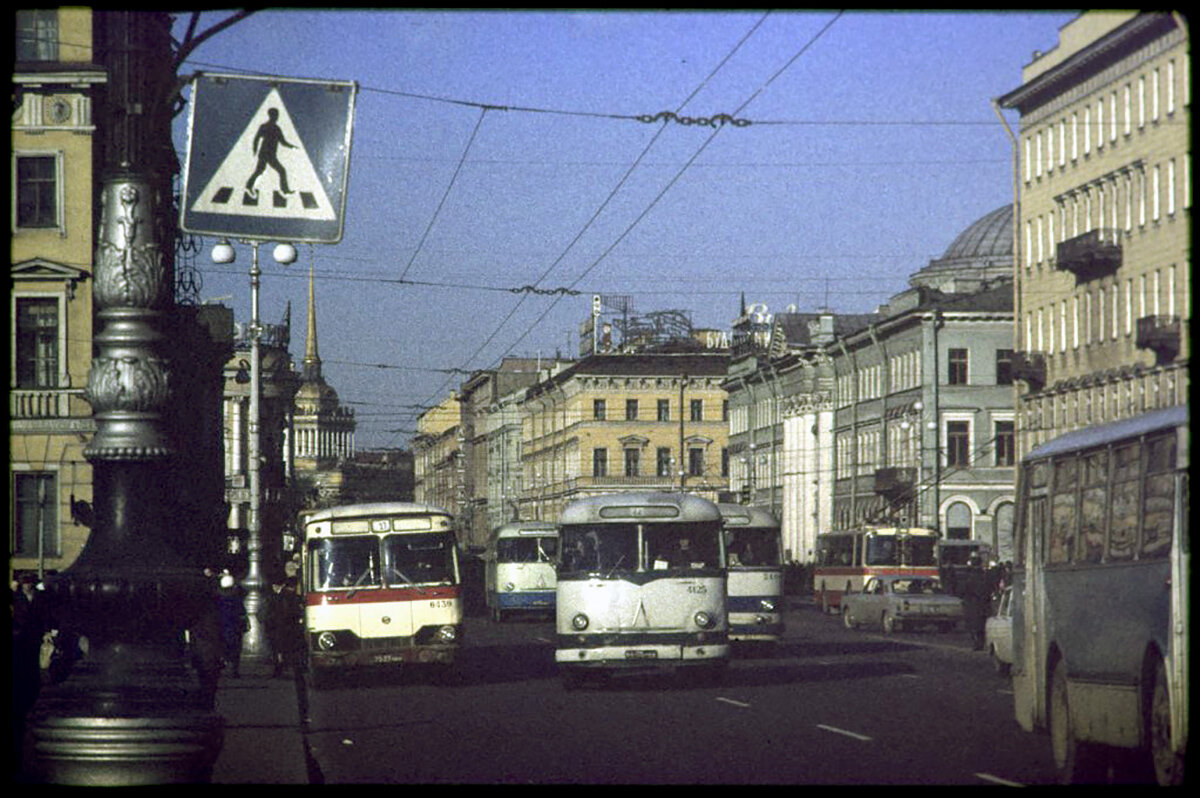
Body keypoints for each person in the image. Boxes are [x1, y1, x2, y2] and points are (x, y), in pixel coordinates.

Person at [12, 572, 46, 769]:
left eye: (29, 582)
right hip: (20, 637)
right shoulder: (17, 597)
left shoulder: (37, 598)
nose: (28, 585)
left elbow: (41, 615)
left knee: (30, 663)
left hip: (31, 637)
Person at [264, 577, 303, 678]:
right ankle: (286, 667)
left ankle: (278, 668)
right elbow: (295, 612)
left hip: (275, 626)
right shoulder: (294, 597)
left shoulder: (275, 596)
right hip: (288, 626)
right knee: (288, 648)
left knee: (277, 649)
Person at [216, 572, 248, 678]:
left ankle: (222, 664)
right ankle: (234, 670)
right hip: (235, 627)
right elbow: (242, 613)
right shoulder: (236, 599)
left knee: (222, 647)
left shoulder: (218, 598)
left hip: (221, 626)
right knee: (236, 649)